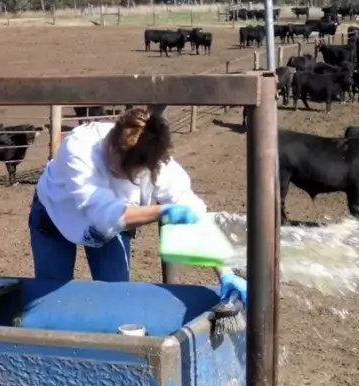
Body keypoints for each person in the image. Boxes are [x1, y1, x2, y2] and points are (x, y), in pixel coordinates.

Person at [28, 105, 246, 304]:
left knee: (117, 295)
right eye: (114, 158)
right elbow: (102, 213)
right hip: (56, 216)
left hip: (113, 227)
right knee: (51, 298)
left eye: (127, 171)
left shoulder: (158, 164)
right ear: (112, 139)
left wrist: (225, 272)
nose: (115, 168)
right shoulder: (79, 148)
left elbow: (196, 215)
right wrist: (162, 211)